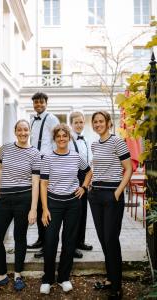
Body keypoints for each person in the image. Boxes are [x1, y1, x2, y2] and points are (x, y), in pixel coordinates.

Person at [0, 119, 41, 291]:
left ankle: (17, 274)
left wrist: (33, 209)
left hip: (24, 199)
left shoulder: (35, 154)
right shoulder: (6, 148)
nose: (23, 133)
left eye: (26, 130)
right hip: (5, 199)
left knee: (19, 237)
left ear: (29, 132)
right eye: (20, 130)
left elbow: (36, 182)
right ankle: (1, 275)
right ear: (15, 131)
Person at [40, 123, 92, 295]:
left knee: (69, 241)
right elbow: (43, 183)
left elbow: (89, 171)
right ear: (54, 139)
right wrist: (45, 209)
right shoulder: (47, 157)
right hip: (53, 204)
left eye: (64, 136)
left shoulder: (76, 157)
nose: (61, 139)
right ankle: (47, 279)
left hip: (73, 204)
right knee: (50, 241)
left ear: (69, 138)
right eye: (58, 136)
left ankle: (64, 278)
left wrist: (83, 187)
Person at [88, 111, 132, 300]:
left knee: (111, 239)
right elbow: (95, 168)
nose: (98, 124)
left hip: (111, 195)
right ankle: (110, 279)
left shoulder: (117, 142)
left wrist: (117, 192)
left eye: (101, 121)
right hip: (95, 195)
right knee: (103, 239)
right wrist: (89, 185)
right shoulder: (94, 144)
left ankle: (117, 285)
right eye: (95, 122)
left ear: (108, 123)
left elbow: (129, 168)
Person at [27, 92, 59, 259]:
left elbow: (56, 141)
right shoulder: (32, 120)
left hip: (46, 163)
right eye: (36, 102)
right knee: (38, 203)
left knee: (46, 203)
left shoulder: (52, 119)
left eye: (41, 102)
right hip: (34, 162)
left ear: (46, 103)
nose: (38, 105)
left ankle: (48, 244)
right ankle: (40, 239)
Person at [69, 111, 93, 259]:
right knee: (74, 213)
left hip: (85, 176)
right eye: (76, 122)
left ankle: (80, 242)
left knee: (83, 211)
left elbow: (88, 160)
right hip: (73, 177)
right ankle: (71, 246)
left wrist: (89, 179)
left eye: (81, 122)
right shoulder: (69, 140)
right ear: (71, 124)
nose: (79, 125)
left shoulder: (85, 140)